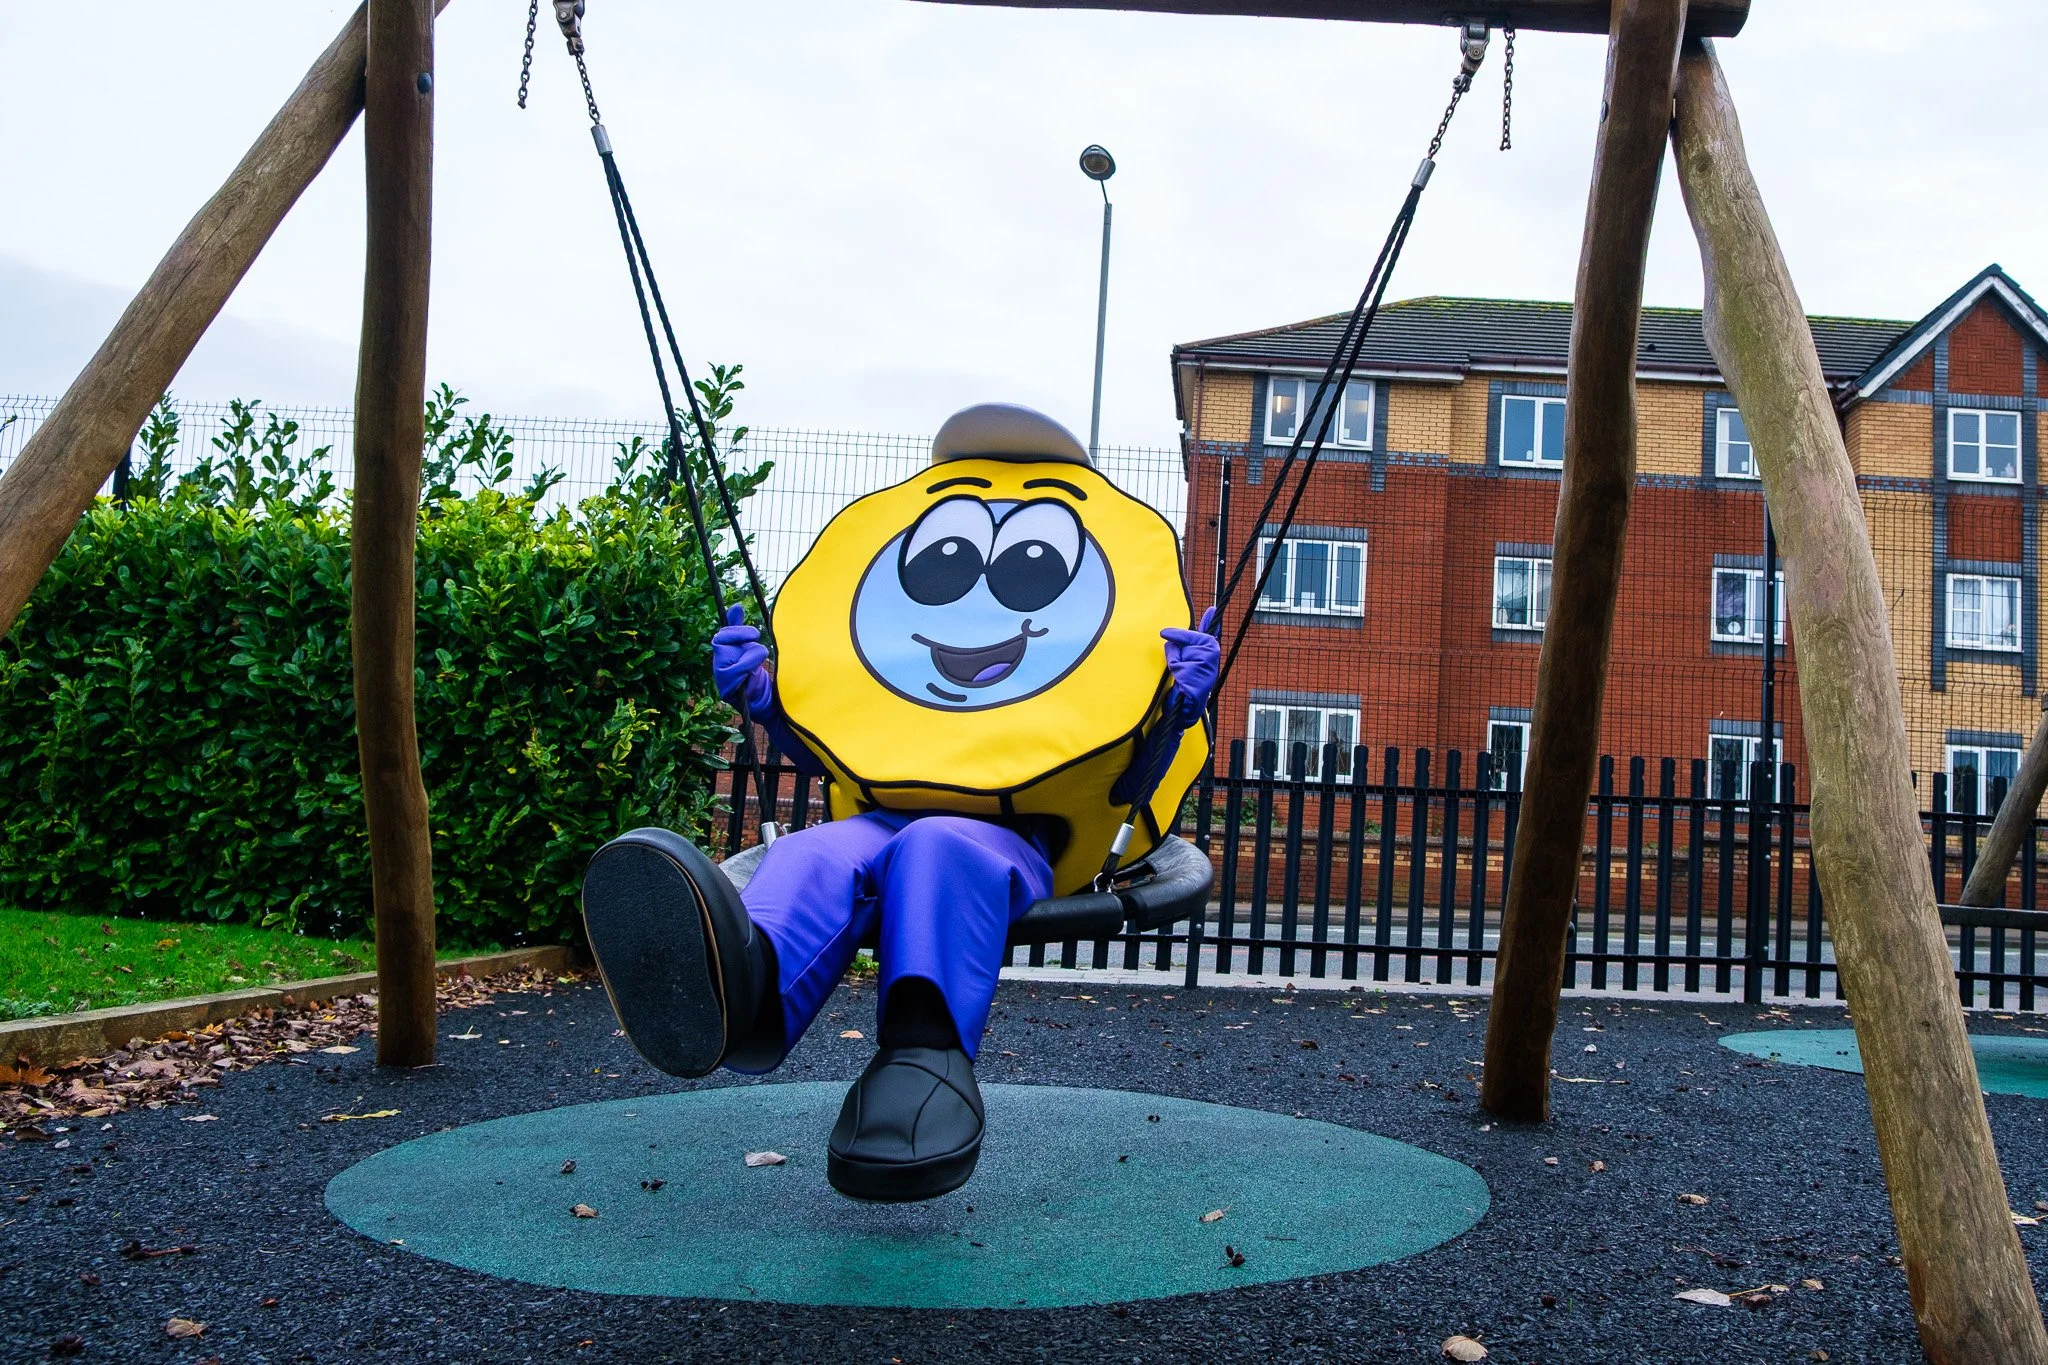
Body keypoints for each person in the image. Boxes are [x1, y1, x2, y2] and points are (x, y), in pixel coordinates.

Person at [580, 404, 1217, 1202]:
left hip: (1015, 836)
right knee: (810, 852)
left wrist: (1173, 712)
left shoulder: (1111, 623)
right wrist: (772, 703)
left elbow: (1127, 783)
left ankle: (926, 1060)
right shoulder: (888, 622)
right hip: (882, 814)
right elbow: (843, 740)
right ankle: (742, 998)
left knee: (938, 847)